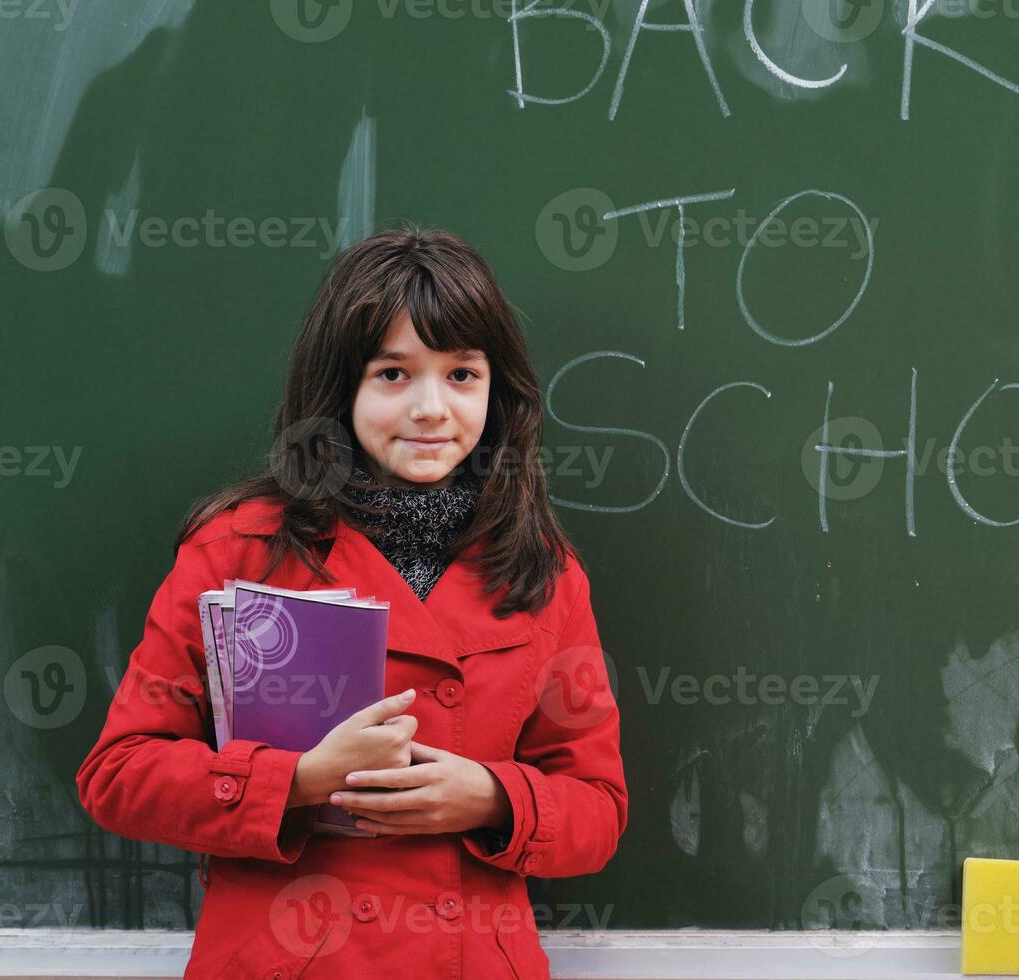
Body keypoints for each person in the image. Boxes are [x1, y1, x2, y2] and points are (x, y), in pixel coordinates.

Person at [76, 225, 627, 978]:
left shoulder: (544, 570)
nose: (432, 409)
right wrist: (297, 782)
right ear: (341, 388)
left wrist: (495, 798)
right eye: (394, 374)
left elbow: (598, 807)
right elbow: (120, 775)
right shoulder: (238, 548)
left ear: (499, 390)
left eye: (462, 374)